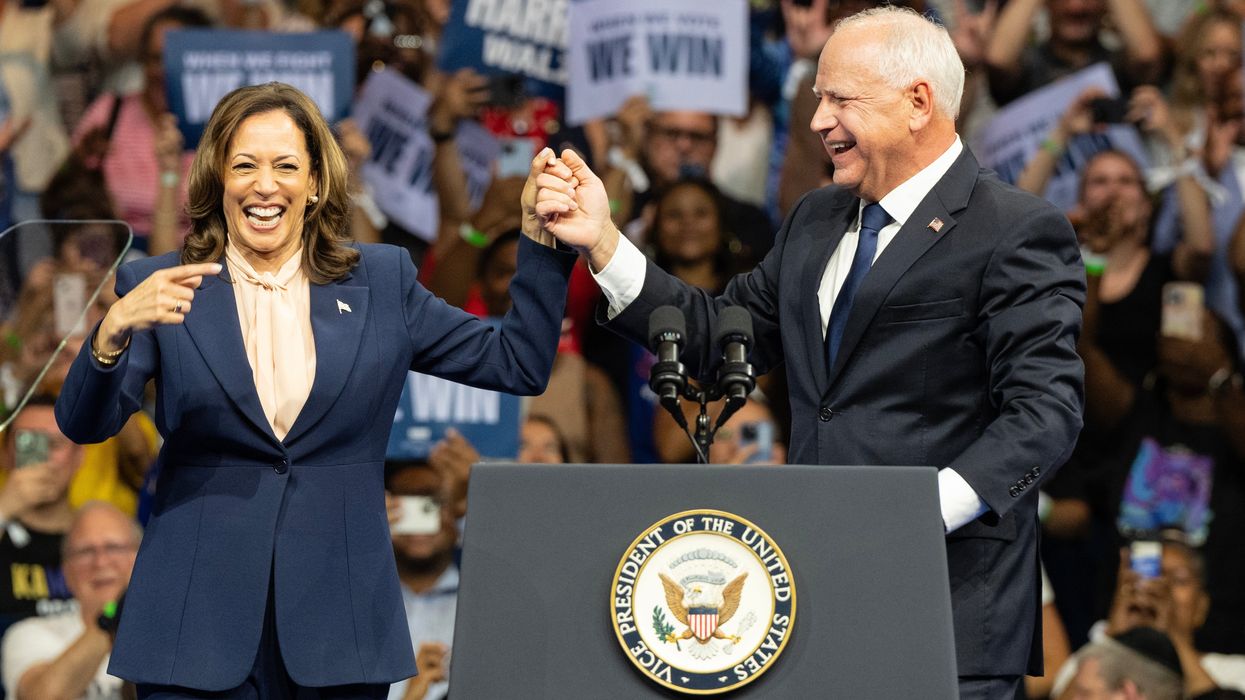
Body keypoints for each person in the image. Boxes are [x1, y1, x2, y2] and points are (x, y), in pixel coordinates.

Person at [535, 6, 1085, 696]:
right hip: (810, 599)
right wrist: (603, 243)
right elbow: (712, 339)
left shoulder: (1013, 229)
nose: (818, 119)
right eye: (818, 98)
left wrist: (914, 513)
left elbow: (1043, 416)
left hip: (944, 606)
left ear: (917, 102)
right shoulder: (815, 220)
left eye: (839, 99)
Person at [54, 82, 576, 696]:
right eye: (244, 165)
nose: (264, 185)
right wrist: (110, 331)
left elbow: (516, 364)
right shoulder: (161, 281)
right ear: (216, 179)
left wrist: (539, 247)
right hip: (193, 625)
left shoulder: (382, 282)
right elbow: (84, 424)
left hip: (340, 625)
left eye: (285, 166)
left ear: (318, 183)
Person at [2, 501, 140, 699]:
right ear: (66, 570)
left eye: (113, 547)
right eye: (86, 551)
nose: (101, 562)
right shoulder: (29, 634)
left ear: (142, 557)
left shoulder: (168, 633)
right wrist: (112, 614)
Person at [384, 462, 457, 700]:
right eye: (405, 504)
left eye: (431, 504)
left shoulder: (484, 603)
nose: (419, 526)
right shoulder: (358, 601)